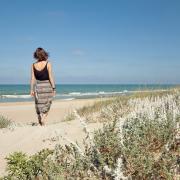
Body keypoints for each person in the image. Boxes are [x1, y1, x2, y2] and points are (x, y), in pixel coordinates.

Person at [30, 47, 56, 126]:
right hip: (47, 86)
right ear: (44, 54)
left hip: (38, 87)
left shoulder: (33, 65)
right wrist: (54, 88)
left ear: (36, 55)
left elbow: (33, 78)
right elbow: (50, 76)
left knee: (38, 104)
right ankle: (43, 117)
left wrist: (31, 89)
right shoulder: (48, 63)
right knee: (48, 103)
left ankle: (39, 117)